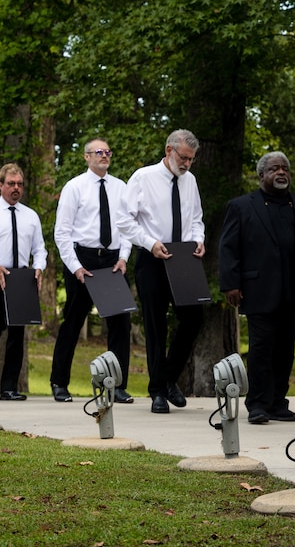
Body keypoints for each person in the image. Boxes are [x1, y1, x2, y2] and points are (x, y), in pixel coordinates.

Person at [219, 151, 295, 424]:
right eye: (275, 169)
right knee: (261, 349)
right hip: (258, 290)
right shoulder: (242, 206)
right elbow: (228, 248)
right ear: (261, 175)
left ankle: (278, 401)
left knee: (285, 349)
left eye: (285, 169)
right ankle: (257, 404)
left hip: (293, 290)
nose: (281, 173)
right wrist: (231, 284)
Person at [116, 129, 205, 415]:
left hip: (183, 258)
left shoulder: (190, 181)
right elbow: (123, 220)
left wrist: (199, 239)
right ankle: (157, 391)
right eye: (183, 157)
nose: (187, 164)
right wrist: (149, 243)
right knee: (155, 325)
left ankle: (167, 378)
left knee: (194, 317)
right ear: (169, 151)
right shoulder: (143, 178)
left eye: (191, 159)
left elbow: (196, 219)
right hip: (152, 257)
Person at [49, 139, 134, 404]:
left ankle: (117, 386)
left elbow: (128, 225)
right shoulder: (74, 187)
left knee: (121, 323)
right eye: (99, 152)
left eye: (108, 151)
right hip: (82, 259)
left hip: (112, 260)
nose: (105, 155)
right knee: (73, 322)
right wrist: (75, 267)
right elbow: (61, 232)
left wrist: (123, 257)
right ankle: (59, 382)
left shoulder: (121, 187)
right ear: (86, 157)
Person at [0, 163, 48, 400]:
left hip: (21, 279)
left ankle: (9, 388)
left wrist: (39, 268)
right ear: (0, 185)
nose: (16, 188)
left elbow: (40, 249)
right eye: (11, 183)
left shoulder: (31, 216)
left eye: (19, 184)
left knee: (16, 334)